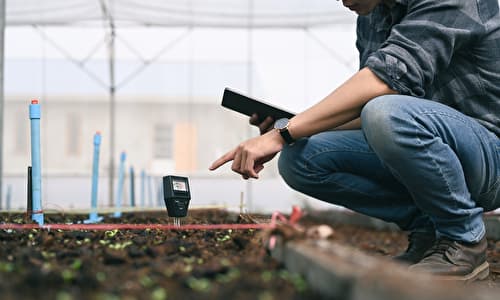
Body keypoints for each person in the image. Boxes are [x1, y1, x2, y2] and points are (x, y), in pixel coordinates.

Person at [209, 0, 500, 283]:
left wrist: (284, 133)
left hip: (489, 158)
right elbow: (366, 109)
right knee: (301, 159)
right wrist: (289, 131)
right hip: (427, 146)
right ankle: (429, 231)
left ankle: (464, 240)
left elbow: (384, 86)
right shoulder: (372, 16)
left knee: (385, 112)